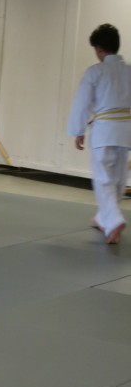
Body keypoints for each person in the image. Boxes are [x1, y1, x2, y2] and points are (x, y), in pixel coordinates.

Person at [68, 23, 131, 245]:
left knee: (104, 179)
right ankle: (104, 218)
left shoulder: (95, 71)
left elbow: (82, 102)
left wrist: (78, 130)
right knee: (118, 178)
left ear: (99, 49)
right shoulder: (129, 70)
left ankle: (114, 220)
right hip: (126, 131)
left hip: (104, 130)